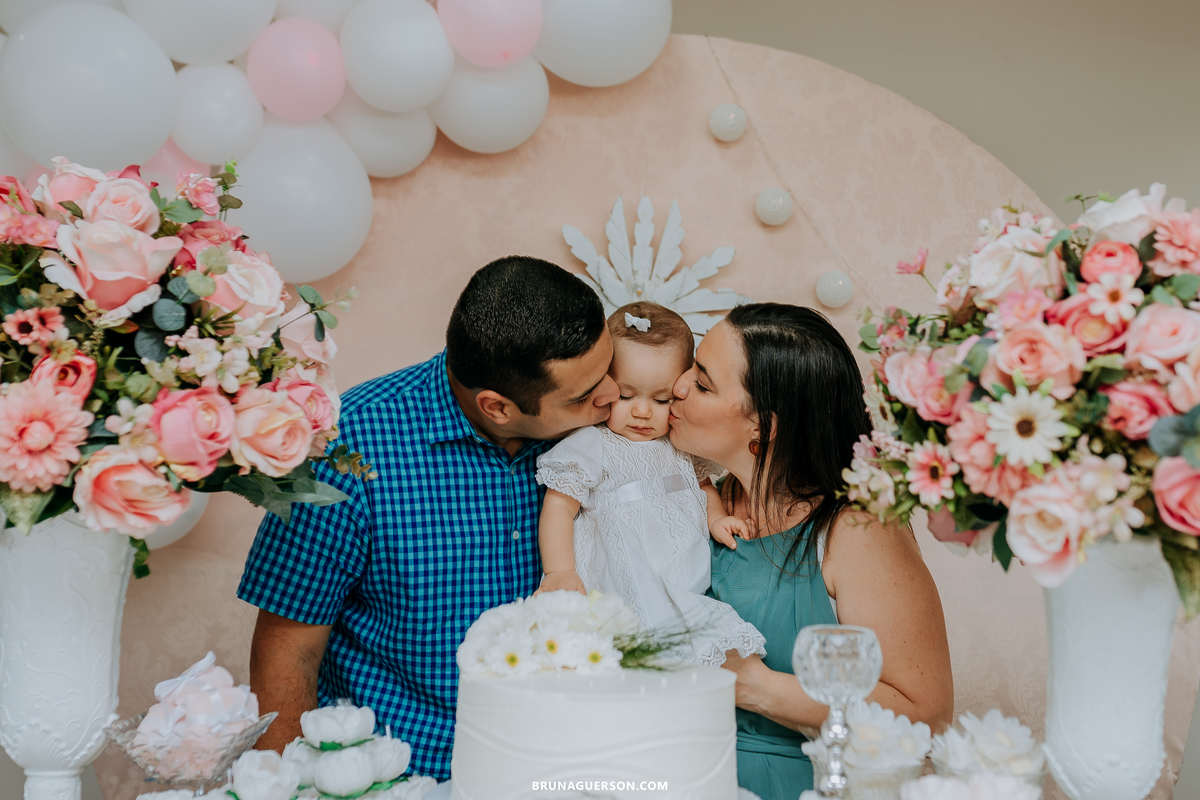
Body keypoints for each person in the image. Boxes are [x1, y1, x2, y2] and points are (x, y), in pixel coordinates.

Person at [237, 256, 620, 780]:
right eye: (583, 396)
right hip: (405, 774)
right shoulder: (347, 451)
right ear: (497, 407)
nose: (612, 395)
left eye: (609, 369)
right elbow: (287, 651)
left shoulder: (612, 432)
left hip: (563, 768)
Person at [667, 302, 954, 800]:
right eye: (692, 366)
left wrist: (755, 687)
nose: (678, 386)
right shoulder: (692, 497)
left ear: (763, 427)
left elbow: (925, 714)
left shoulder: (858, 529)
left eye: (704, 383)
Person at [534, 302, 766, 665]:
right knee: (618, 643)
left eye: (661, 399)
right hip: (618, 576)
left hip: (679, 573)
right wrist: (559, 571)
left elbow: (702, 486)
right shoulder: (594, 444)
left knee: (686, 636)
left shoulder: (680, 443)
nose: (642, 412)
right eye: (626, 396)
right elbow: (559, 506)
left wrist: (717, 518)